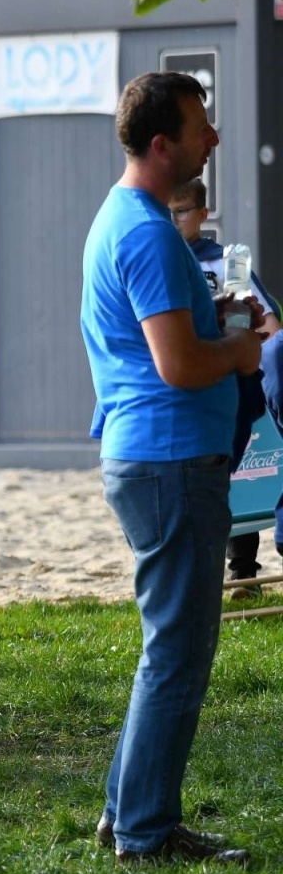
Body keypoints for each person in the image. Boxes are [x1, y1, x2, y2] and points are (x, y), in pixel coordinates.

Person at [81, 71, 257, 864]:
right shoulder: (149, 232)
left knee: (169, 649)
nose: (212, 138)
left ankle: (129, 817)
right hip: (170, 459)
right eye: (200, 128)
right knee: (178, 656)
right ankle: (145, 833)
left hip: (159, 455)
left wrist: (218, 327)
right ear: (162, 146)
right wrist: (244, 349)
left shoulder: (127, 216)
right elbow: (180, 364)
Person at [167, 177, 282, 594]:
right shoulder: (155, 258)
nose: (173, 219)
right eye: (167, 209)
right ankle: (196, 570)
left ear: (201, 214)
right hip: (181, 383)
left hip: (229, 381)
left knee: (238, 476)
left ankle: (244, 570)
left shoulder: (226, 262)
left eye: (181, 210)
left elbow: (270, 326)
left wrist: (241, 340)